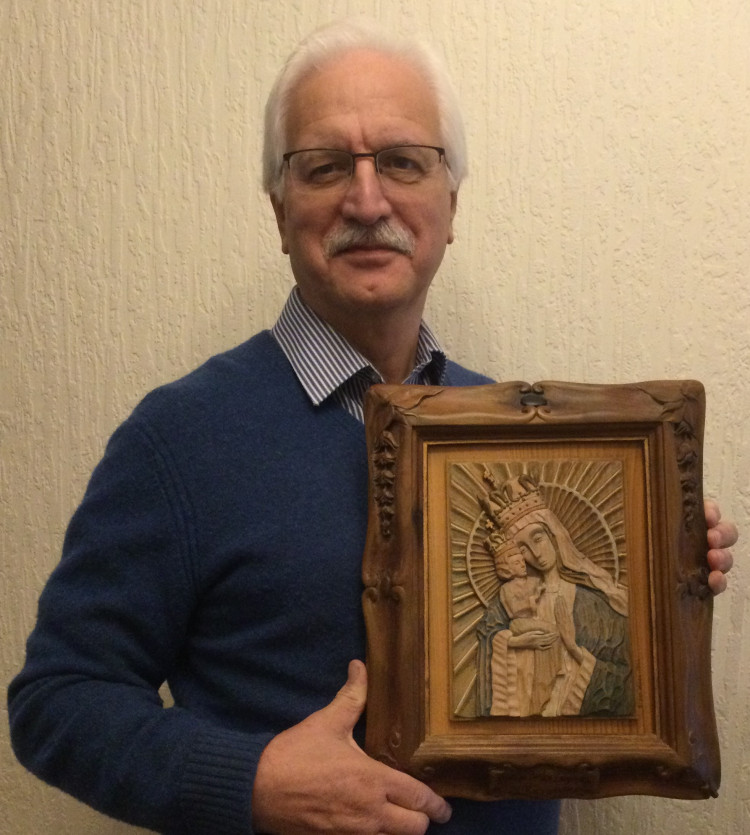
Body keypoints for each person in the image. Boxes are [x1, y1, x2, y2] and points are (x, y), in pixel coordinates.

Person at [8, 18, 737, 835]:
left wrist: (659, 573)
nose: (366, 198)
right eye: (325, 167)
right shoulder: (177, 438)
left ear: (449, 203)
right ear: (280, 211)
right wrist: (249, 779)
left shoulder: (511, 437)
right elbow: (57, 702)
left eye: (401, 161)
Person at [477, 475, 633, 719]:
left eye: (538, 538)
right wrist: (517, 642)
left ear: (554, 534)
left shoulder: (591, 603)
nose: (535, 553)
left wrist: (573, 648)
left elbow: (626, 675)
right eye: (523, 548)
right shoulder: (506, 602)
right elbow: (489, 640)